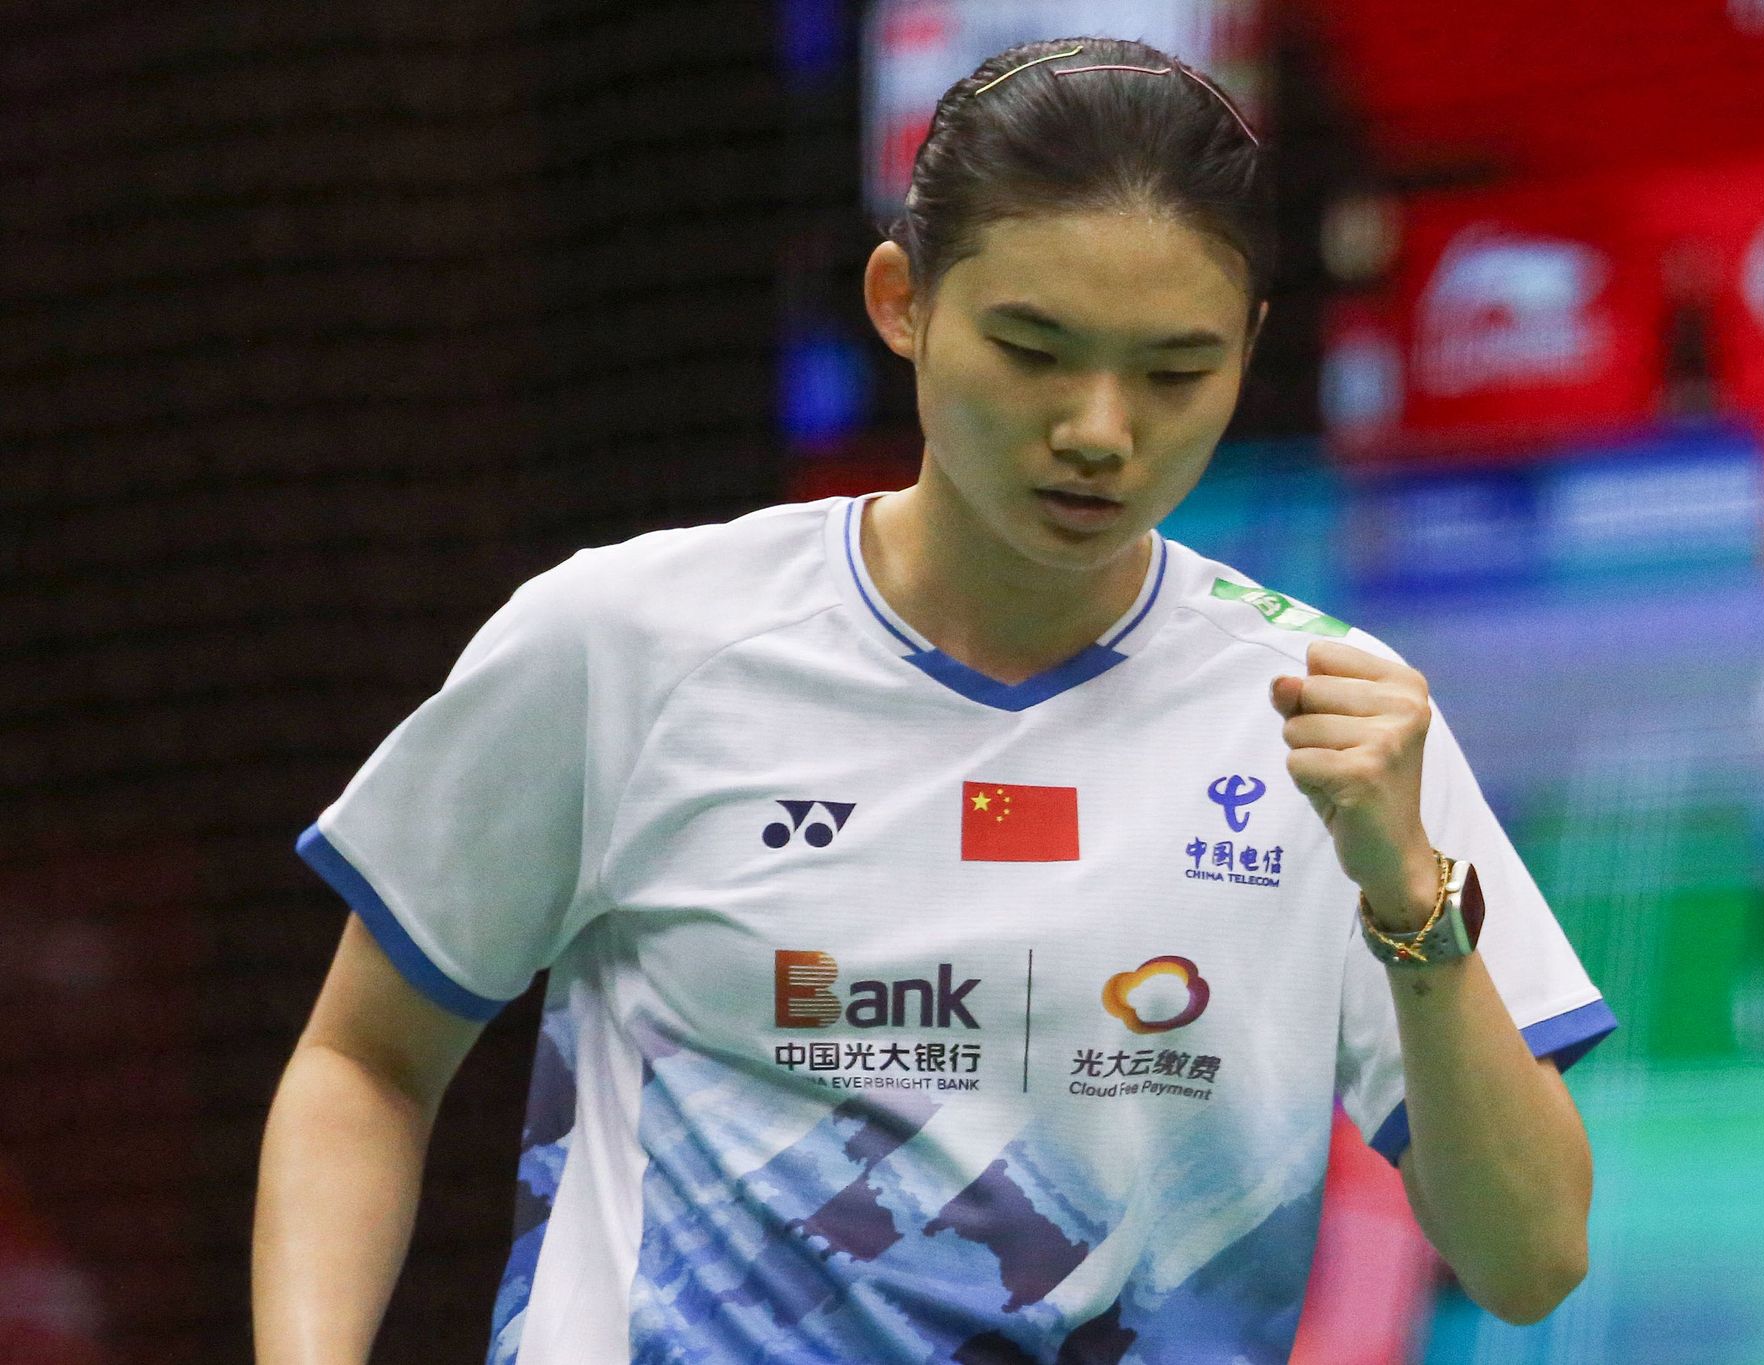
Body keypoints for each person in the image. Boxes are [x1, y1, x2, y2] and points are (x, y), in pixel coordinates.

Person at [252, 36, 1615, 1364]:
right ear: (902, 299)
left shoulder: (1338, 725)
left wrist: (1406, 898)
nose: (1099, 428)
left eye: (1174, 371)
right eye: (1032, 347)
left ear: (1251, 348)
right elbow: (365, 1062)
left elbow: (1529, 1255)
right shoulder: (630, 643)